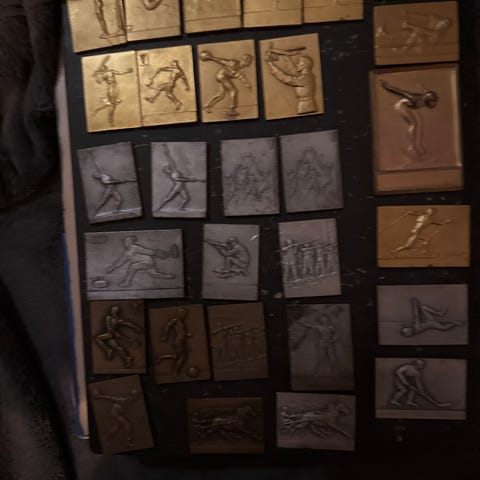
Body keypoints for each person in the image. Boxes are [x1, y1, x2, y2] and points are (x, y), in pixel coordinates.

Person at [379, 79, 438, 156]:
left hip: (408, 107)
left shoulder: (424, 100)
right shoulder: (414, 98)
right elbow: (399, 92)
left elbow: (427, 95)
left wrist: (421, 86)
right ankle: (412, 147)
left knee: (418, 122)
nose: (433, 104)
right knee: (413, 125)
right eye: (432, 101)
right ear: (427, 99)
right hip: (401, 106)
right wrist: (386, 86)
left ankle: (416, 147)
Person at [264, 43, 317, 115]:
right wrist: (285, 54)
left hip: (307, 107)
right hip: (303, 105)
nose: (297, 64)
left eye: (299, 63)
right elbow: (292, 70)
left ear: (304, 65)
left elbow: (285, 78)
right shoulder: (305, 75)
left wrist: (270, 64)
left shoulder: (306, 77)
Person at [200, 50, 253, 117]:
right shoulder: (233, 63)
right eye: (249, 62)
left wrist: (247, 84)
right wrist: (210, 57)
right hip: (221, 76)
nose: (249, 64)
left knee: (221, 94)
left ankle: (207, 105)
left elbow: (241, 77)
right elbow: (221, 61)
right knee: (233, 90)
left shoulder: (240, 69)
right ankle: (231, 109)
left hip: (221, 77)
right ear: (245, 61)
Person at [106, 236, 175, 287]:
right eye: (124, 241)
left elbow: (147, 251)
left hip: (147, 261)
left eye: (126, 241)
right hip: (145, 263)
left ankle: (127, 282)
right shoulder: (127, 253)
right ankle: (169, 276)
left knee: (133, 266)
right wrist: (112, 268)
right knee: (153, 274)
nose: (124, 243)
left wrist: (155, 252)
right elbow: (120, 262)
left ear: (130, 242)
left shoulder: (135, 247)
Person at [156, 143, 205, 212]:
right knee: (168, 199)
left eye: (168, 167)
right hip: (176, 188)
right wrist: (192, 180)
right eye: (166, 169)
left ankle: (180, 208)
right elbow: (181, 179)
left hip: (181, 187)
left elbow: (170, 160)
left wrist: (165, 148)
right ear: (167, 172)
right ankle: (157, 208)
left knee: (186, 198)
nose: (168, 167)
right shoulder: (173, 175)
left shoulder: (175, 171)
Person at [92, 56, 134, 126]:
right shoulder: (103, 75)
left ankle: (101, 112)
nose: (103, 68)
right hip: (111, 88)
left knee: (112, 104)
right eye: (102, 68)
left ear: (105, 68)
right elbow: (99, 82)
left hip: (115, 87)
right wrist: (96, 76)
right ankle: (110, 119)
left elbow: (120, 72)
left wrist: (127, 71)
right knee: (112, 104)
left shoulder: (111, 71)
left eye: (104, 67)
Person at [159, 307, 192, 374]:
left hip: (181, 341)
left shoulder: (180, 321)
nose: (185, 316)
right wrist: (164, 336)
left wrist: (187, 334)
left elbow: (181, 332)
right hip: (178, 342)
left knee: (177, 356)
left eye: (186, 314)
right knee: (182, 357)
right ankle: (175, 372)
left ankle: (162, 357)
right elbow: (167, 326)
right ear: (180, 314)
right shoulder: (175, 320)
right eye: (184, 314)